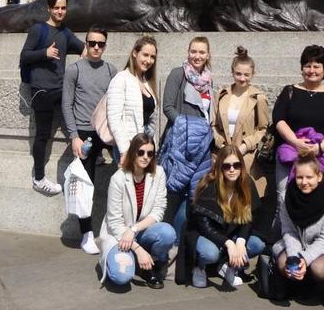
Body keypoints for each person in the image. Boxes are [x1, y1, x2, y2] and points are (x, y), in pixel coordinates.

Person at [19, 0, 84, 195]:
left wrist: (88, 53)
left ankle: (88, 153)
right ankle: (38, 178)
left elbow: (83, 47)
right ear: (49, 8)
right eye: (56, 8)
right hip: (41, 90)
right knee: (43, 135)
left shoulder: (65, 32)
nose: (60, 11)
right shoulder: (39, 29)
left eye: (63, 8)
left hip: (61, 89)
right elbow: (25, 56)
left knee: (80, 121)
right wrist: (44, 53)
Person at [61, 26, 117, 254]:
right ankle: (86, 234)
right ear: (86, 43)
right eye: (92, 43)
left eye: (100, 44)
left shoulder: (111, 70)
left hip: (106, 131)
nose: (96, 47)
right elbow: (67, 104)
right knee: (86, 188)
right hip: (84, 133)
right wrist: (74, 136)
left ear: (105, 45)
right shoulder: (74, 70)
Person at [98, 133, 175, 289]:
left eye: (150, 153)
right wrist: (137, 248)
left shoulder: (158, 173)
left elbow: (159, 210)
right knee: (121, 277)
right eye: (141, 152)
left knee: (167, 233)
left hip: (140, 230)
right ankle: (136, 258)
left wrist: (133, 230)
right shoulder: (118, 179)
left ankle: (146, 266)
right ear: (133, 152)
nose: (145, 157)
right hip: (119, 234)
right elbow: (114, 223)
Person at [271, 154, 324, 306]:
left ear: (319, 176)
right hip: (298, 243)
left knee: (319, 269)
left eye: (309, 177)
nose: (304, 182)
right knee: (283, 263)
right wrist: (294, 258)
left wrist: (304, 259)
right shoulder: (286, 197)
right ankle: (302, 285)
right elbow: (288, 231)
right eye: (300, 177)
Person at [272, 45, 324, 199]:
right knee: (284, 199)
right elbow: (278, 119)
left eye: (317, 66)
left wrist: (319, 148)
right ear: (302, 68)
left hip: (321, 157)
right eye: (307, 65)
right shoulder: (289, 91)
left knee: (318, 200)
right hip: (290, 154)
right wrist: (295, 142)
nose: (312, 70)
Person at [185, 145, 265, 289]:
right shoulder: (209, 185)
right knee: (210, 254)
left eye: (236, 165)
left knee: (256, 244)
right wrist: (229, 244)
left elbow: (249, 218)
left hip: (230, 233)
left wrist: (240, 242)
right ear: (219, 167)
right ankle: (199, 267)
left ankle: (227, 265)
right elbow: (204, 226)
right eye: (226, 166)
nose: (232, 170)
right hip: (205, 235)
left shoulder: (247, 183)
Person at [161, 36, 215, 240]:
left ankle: (183, 243)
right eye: (194, 51)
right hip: (180, 144)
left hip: (201, 149)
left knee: (194, 196)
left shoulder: (209, 79)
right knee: (175, 193)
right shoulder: (178, 74)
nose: (197, 56)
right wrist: (190, 128)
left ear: (208, 55)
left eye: (202, 52)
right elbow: (168, 107)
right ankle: (170, 242)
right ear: (188, 52)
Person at [212, 46, 271, 231]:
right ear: (232, 72)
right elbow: (214, 125)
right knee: (222, 198)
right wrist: (221, 143)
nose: (242, 79)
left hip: (246, 156)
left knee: (244, 199)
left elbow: (263, 128)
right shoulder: (222, 95)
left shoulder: (257, 98)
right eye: (238, 74)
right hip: (224, 154)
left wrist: (246, 146)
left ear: (253, 73)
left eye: (247, 75)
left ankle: (241, 240)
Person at [107, 35, 159, 163]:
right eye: (145, 55)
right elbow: (114, 119)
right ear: (135, 53)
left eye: (152, 57)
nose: (149, 60)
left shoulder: (147, 81)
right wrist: (124, 150)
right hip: (129, 145)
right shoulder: (121, 79)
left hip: (146, 145)